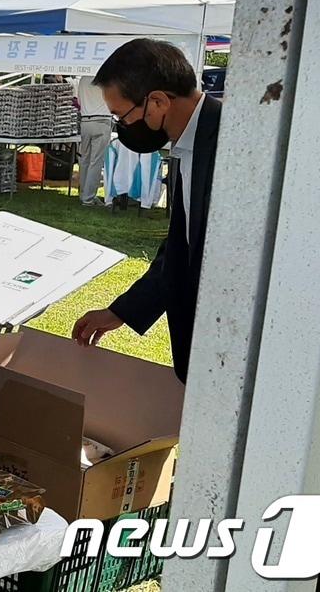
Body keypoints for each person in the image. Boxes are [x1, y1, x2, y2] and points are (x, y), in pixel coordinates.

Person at [71, 39, 221, 383]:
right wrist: (122, 311)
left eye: (120, 115)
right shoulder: (190, 144)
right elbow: (180, 247)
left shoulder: (232, 144)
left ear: (158, 101)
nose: (121, 126)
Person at [75, 74, 113, 206]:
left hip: (85, 120)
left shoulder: (83, 79)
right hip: (102, 120)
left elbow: (79, 101)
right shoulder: (106, 79)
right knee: (96, 162)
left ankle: (84, 194)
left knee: (84, 160)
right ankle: (88, 197)